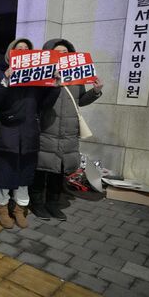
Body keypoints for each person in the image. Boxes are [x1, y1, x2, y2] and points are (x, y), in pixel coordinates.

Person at [0, 38, 61, 229]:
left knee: (24, 175)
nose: (23, 51)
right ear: (10, 54)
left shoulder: (37, 78)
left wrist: (55, 86)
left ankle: (20, 209)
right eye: (19, 49)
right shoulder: (0, 73)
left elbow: (44, 104)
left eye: (27, 49)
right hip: (6, 134)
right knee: (3, 174)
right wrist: (6, 79)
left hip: (28, 134)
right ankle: (1, 209)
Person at [31, 38, 103, 221]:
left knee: (59, 170)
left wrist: (95, 91)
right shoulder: (41, 75)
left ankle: (52, 205)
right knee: (41, 169)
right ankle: (37, 204)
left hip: (68, 131)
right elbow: (37, 103)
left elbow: (81, 101)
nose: (62, 55)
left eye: (65, 53)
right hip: (47, 129)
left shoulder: (76, 76)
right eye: (58, 52)